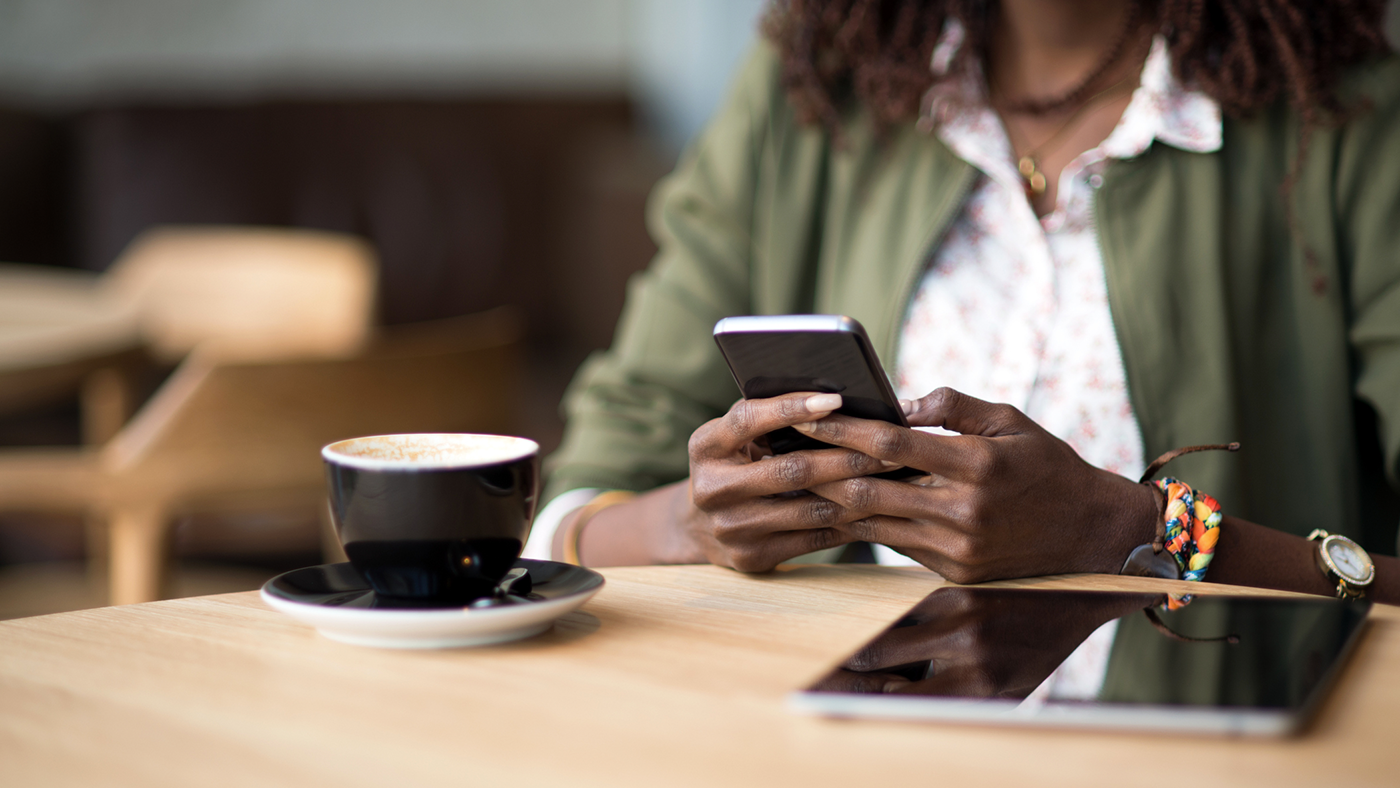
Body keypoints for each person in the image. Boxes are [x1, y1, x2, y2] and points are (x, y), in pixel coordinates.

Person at [522, 0, 1400, 605]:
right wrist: (695, 521)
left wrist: (1133, 534)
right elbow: (579, 515)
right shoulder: (815, 85)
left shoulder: (1353, 125)